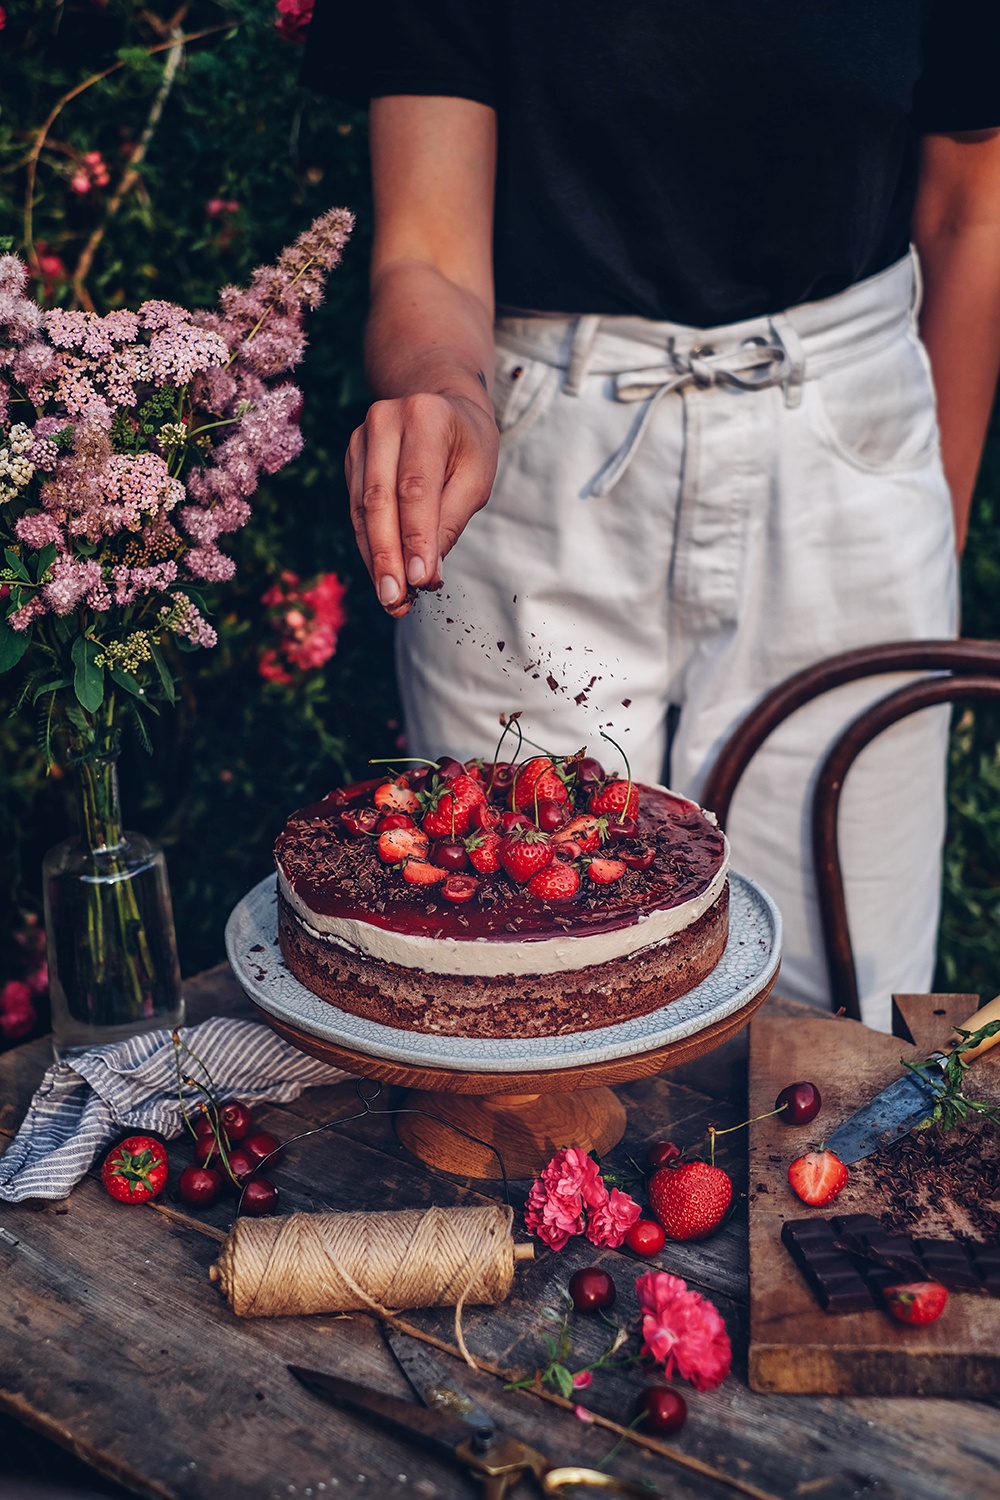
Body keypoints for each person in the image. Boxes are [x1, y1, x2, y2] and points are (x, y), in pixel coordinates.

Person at [304, 2, 1000, 1030]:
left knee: (836, 1021)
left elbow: (968, 208)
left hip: (844, 437)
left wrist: (923, 518)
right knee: (513, 996)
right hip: (534, 452)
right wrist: (444, 390)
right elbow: (430, 254)